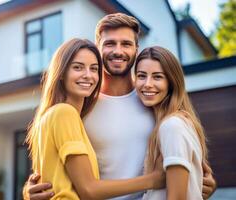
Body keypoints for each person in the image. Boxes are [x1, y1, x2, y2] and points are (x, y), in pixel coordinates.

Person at [24, 13, 216, 200]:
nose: (118, 51)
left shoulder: (153, 100)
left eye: (126, 44)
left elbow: (186, 160)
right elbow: (53, 165)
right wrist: (29, 191)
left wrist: (204, 183)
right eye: (109, 43)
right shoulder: (81, 104)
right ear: (98, 48)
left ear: (136, 49)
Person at [26, 38, 164, 200]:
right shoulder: (64, 113)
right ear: (61, 73)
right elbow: (89, 190)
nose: (88, 75)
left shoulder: (53, 116)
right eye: (78, 67)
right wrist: (153, 180)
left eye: (94, 69)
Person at [134, 46, 209, 200]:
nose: (147, 84)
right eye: (141, 76)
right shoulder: (174, 122)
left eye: (157, 77)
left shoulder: (173, 125)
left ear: (171, 81)